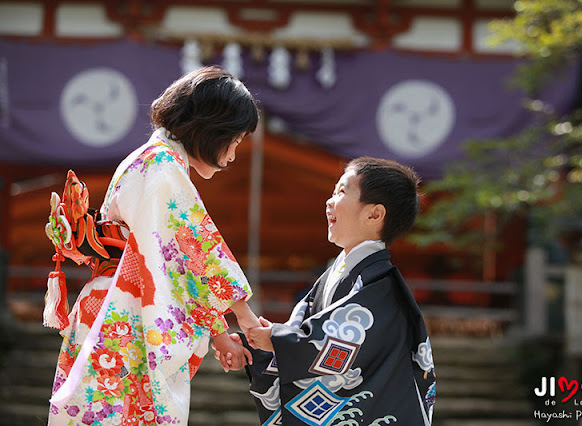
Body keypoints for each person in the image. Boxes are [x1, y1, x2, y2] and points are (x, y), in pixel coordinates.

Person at [44, 66, 261, 426]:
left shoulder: (151, 160)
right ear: (210, 129)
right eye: (234, 141)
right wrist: (242, 316)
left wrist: (221, 331)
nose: (233, 155)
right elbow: (195, 249)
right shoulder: (161, 167)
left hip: (117, 300)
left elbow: (177, 260)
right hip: (125, 308)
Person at [241, 156, 436, 425]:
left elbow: (336, 341)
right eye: (333, 192)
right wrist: (262, 342)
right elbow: (303, 327)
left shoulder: (380, 285)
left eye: (342, 191)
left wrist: (275, 339)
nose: (329, 201)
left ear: (374, 214)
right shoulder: (336, 275)